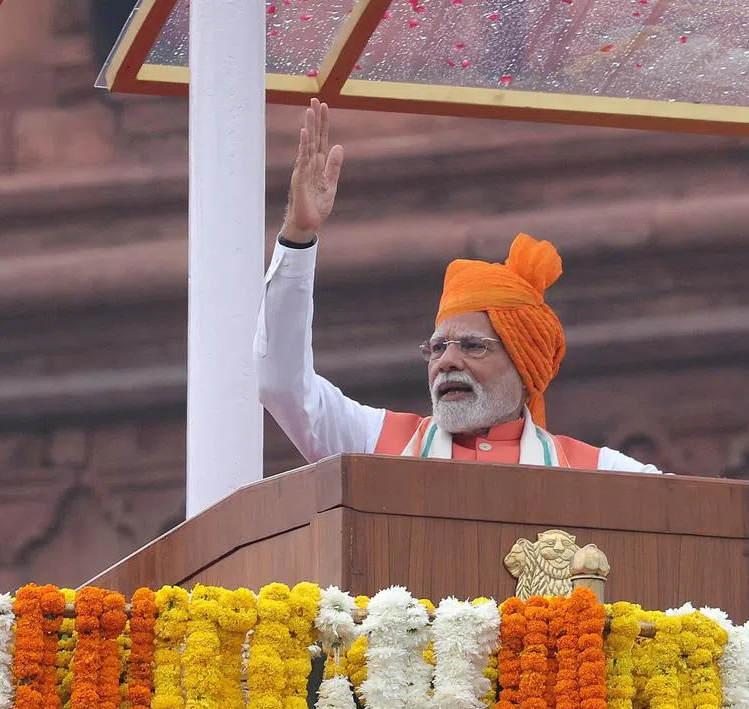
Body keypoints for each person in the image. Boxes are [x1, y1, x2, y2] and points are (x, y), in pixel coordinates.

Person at [254, 99, 661, 473]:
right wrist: (298, 236)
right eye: (437, 347)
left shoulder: (600, 473)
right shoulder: (379, 443)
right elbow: (282, 384)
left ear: (525, 364)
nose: (446, 362)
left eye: (471, 345)